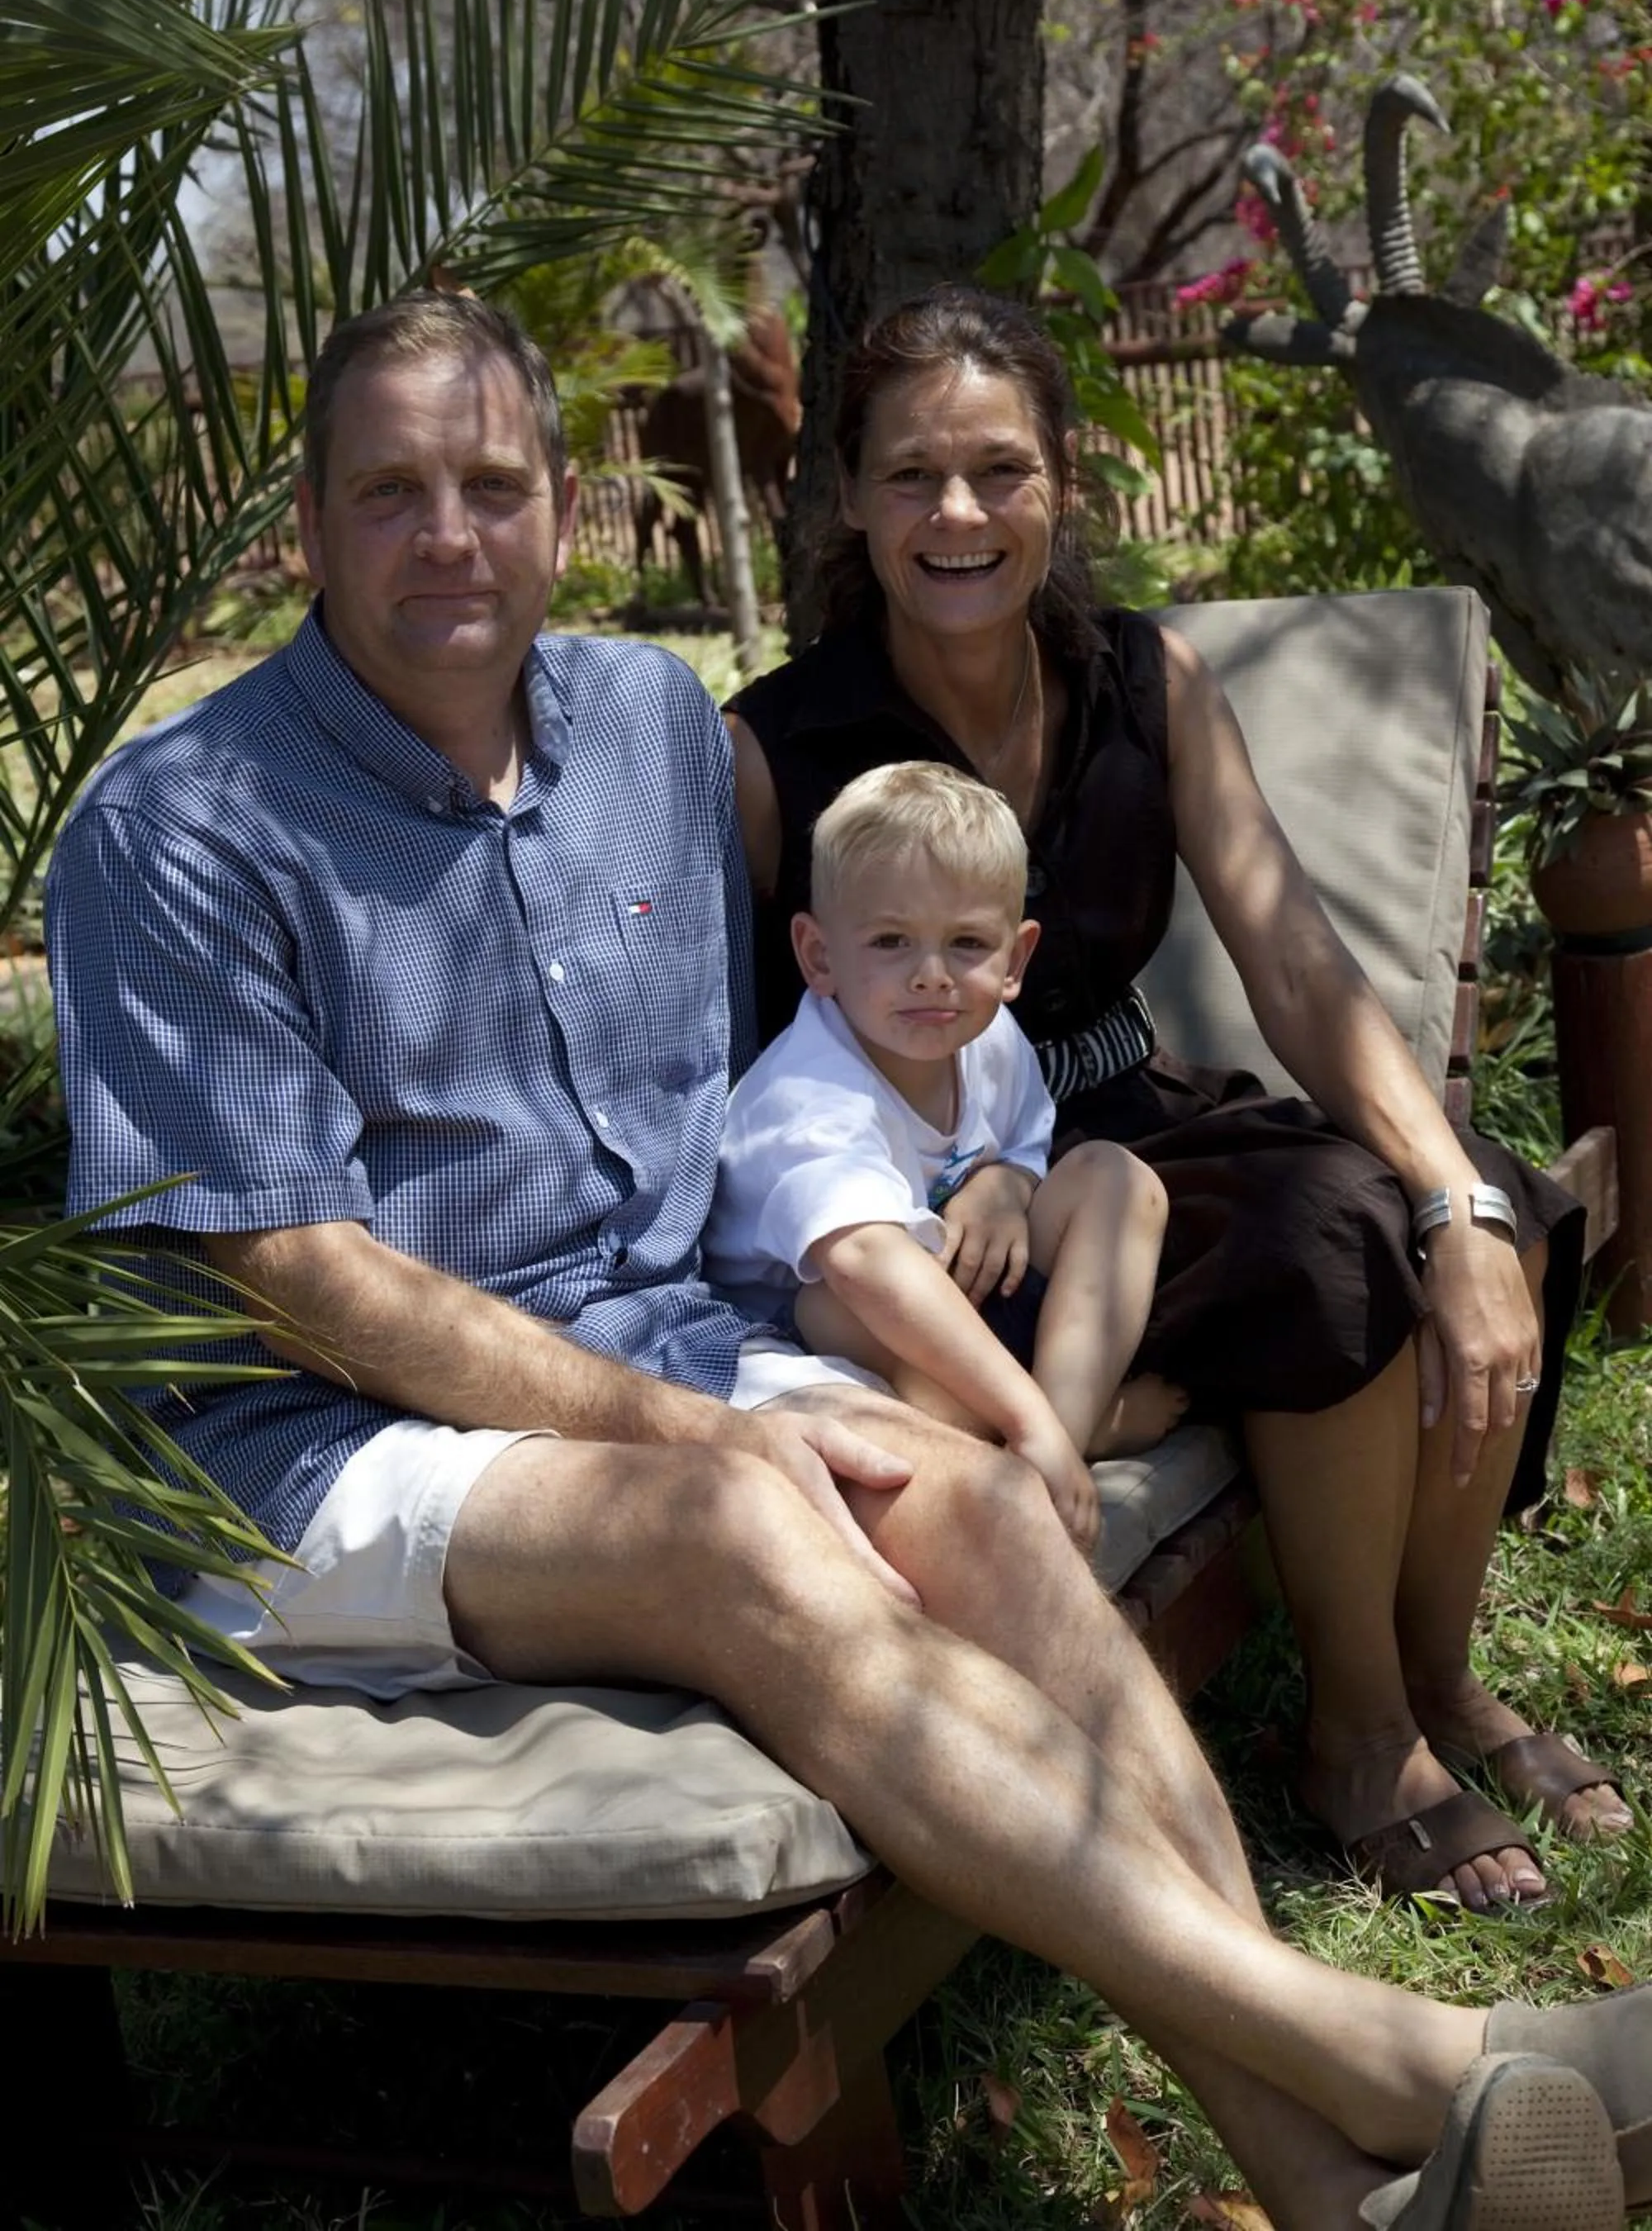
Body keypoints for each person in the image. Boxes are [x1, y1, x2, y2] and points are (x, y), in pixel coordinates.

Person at [45, 294, 1646, 2231]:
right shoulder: (180, 824)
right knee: (744, 1532)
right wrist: (683, 1430)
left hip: (668, 1347)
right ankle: (1408, 2062)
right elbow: (287, 1270)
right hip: (309, 1451)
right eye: (390, 492)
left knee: (984, 1506)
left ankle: (1329, 2180)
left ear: (563, 509)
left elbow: (882, 1011)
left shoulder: (647, 729)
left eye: (489, 485)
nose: (447, 536)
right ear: (306, 524)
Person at [725, 282, 1635, 1912]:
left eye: (997, 469)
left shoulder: (1150, 681)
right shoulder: (775, 752)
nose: (956, 512)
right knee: (1331, 1235)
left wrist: (1460, 1200)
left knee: (1502, 1203)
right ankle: (1355, 1736)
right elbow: (750, 1063)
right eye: (912, 474)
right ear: (850, 499)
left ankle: (1434, 1674)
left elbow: (1295, 961)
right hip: (949, 1193)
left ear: (1062, 483)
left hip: (1129, 1107)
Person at [705, 758, 1180, 1555]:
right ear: (818, 956)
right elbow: (863, 1262)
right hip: (823, 1346)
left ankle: (1060, 1436)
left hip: (966, 1300)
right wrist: (1020, 1412)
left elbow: (1028, 1134)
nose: (932, 977)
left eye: (967, 943)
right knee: (836, 1299)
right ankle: (1044, 1433)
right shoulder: (808, 1097)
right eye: (890, 941)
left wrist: (1009, 1181)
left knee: (1113, 1174)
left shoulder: (989, 1038)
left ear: (1015, 959)